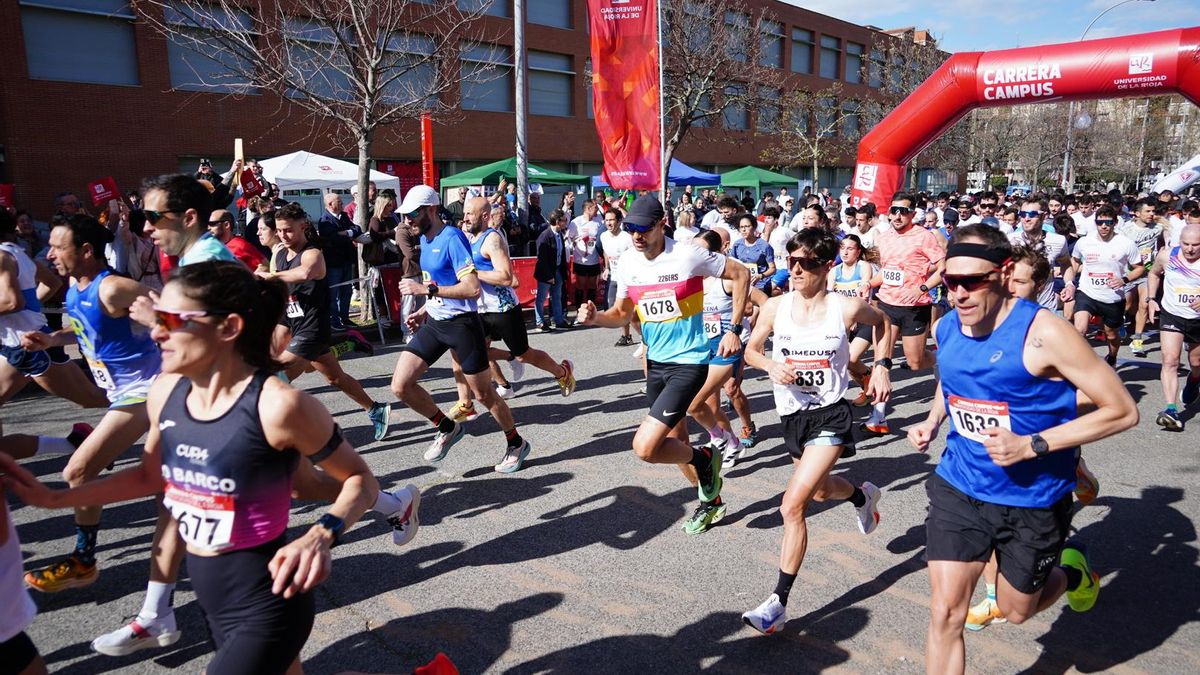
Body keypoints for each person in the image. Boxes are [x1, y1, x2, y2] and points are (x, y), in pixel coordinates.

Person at [1, 260, 379, 675]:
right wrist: (58, 498)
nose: (156, 331)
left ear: (228, 328)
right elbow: (150, 476)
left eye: (170, 320)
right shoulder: (164, 390)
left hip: (270, 596)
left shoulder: (279, 405)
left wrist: (321, 534)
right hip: (211, 596)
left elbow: (360, 480)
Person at [908, 224, 1138, 674]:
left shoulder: (1045, 333)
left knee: (1016, 611)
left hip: (1032, 498)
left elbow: (1122, 410)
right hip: (961, 486)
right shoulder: (948, 327)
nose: (959, 293)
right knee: (945, 613)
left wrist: (1033, 443)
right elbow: (955, 379)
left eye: (972, 281)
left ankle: (1073, 571)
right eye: (951, 282)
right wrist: (934, 419)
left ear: (1004, 272)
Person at [739, 227, 893, 635]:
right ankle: (862, 494)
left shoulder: (846, 308)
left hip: (830, 413)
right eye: (791, 260)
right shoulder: (775, 307)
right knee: (822, 490)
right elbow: (752, 350)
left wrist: (880, 366)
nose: (795, 269)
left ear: (826, 267)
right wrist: (769, 365)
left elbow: (885, 325)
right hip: (792, 416)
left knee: (792, 506)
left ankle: (777, 603)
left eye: (805, 263)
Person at [578, 195, 749, 535]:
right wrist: (597, 318)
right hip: (656, 363)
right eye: (630, 229)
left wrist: (733, 328)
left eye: (643, 228)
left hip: (689, 362)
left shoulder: (687, 253)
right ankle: (710, 500)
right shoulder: (628, 262)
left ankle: (705, 460)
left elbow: (741, 273)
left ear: (661, 224)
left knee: (645, 447)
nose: (636, 236)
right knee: (674, 443)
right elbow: (623, 314)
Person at [18, 215, 161, 593]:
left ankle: (84, 561)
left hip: (147, 391)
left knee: (78, 473)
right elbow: (85, 331)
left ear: (85, 250)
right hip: (122, 394)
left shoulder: (112, 287)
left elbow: (170, 311)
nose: (48, 254)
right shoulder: (73, 288)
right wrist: (53, 340)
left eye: (57, 246)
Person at [389, 185, 533, 472]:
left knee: (483, 396)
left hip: (463, 327)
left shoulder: (451, 238)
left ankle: (516, 442)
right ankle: (447, 427)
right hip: (436, 324)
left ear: (431, 209)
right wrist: (422, 310)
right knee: (400, 386)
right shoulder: (427, 239)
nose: (408, 221)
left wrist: (426, 289)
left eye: (413, 214)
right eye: (405, 215)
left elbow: (471, 288)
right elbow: (439, 284)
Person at [257, 203, 391, 441]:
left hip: (312, 328)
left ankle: (292, 433)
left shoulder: (312, 254)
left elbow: (304, 274)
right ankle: (375, 408)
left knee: (276, 377)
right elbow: (280, 286)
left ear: (303, 227)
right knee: (335, 378)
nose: (283, 235)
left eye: (288, 230)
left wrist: (270, 276)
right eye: (279, 230)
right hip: (289, 321)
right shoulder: (279, 253)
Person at [444, 198, 576, 426]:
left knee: (525, 354)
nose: (464, 218)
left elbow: (507, 277)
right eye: (464, 213)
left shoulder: (492, 239)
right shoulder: (466, 236)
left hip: (502, 309)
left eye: (470, 214)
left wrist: (472, 273)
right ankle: (466, 403)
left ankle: (562, 372)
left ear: (484, 216)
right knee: (466, 352)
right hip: (479, 309)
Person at [0, 209, 109, 410]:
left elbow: (12, 302)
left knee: (95, 399)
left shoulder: (1, 256)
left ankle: (150, 405)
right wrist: (32, 311)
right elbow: (51, 282)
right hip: (18, 341)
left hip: (29, 344)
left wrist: (27, 311)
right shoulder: (15, 252)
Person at [867, 192, 945, 434]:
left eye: (903, 211)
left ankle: (938, 360)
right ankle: (878, 415)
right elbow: (887, 272)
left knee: (915, 361)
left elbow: (943, 268)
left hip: (915, 306)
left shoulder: (924, 236)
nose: (898, 215)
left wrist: (921, 287)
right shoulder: (884, 238)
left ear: (913, 214)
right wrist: (868, 284)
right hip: (886, 304)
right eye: (894, 210)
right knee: (882, 361)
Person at [691, 229, 766, 464]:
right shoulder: (691, 282)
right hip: (705, 348)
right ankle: (731, 443)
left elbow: (764, 302)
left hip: (731, 345)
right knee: (711, 405)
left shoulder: (727, 281)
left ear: (713, 256)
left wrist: (757, 338)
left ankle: (746, 427)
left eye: (700, 251)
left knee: (730, 390)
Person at [1062, 205, 1144, 366]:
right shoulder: (1084, 242)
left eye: (1108, 223)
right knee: (1080, 329)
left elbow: (1140, 268)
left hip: (1112, 297)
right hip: (1087, 292)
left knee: (1111, 334)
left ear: (1115, 223)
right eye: (1100, 222)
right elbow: (1075, 261)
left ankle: (1112, 356)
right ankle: (1079, 365)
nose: (1104, 226)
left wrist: (1124, 279)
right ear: (1096, 223)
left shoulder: (1126, 243)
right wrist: (1070, 282)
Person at [1146, 223, 1200, 430]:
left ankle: (1195, 379)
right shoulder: (1168, 255)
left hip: (1197, 320)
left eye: (1196, 245)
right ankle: (1171, 409)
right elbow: (1154, 273)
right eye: (1186, 244)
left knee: (1196, 361)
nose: (1190, 249)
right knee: (1170, 360)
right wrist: (1151, 299)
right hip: (1172, 314)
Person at [1118, 197, 1168, 357]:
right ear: (1137, 213)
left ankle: (1138, 339)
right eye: (1148, 211)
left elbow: (1165, 241)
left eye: (1153, 211)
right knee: (1127, 305)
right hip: (1128, 272)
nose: (1151, 214)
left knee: (1145, 305)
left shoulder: (1158, 228)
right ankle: (1120, 323)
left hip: (1147, 273)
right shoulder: (1125, 229)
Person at [1007, 199, 1069, 311]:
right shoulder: (1010, 240)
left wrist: (1069, 284)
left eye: (1032, 214)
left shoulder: (1058, 241)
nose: (1026, 219)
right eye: (1022, 214)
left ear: (1044, 216)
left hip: (1045, 307)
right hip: (1016, 305)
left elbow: (1066, 264)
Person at [315, 193, 361, 331]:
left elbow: (357, 229)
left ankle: (345, 317)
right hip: (334, 262)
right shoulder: (325, 221)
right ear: (330, 204)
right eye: (339, 202)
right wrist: (345, 234)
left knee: (346, 291)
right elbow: (333, 238)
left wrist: (346, 233)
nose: (342, 204)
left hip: (347, 260)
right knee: (333, 292)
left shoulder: (344, 216)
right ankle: (334, 320)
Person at [599, 208, 640, 346]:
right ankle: (627, 336)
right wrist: (606, 268)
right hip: (614, 277)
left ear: (619, 221)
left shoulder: (627, 238)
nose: (609, 223)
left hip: (630, 278)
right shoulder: (603, 236)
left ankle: (644, 336)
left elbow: (636, 256)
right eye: (607, 220)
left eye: (612, 220)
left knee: (634, 311)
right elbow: (605, 252)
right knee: (615, 307)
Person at [533, 209, 569, 332]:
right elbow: (542, 258)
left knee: (557, 296)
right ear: (558, 221)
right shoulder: (545, 236)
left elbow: (561, 254)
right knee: (541, 297)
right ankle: (540, 322)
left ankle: (558, 320)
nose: (566, 222)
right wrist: (548, 275)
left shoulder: (559, 234)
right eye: (564, 220)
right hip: (546, 272)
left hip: (557, 269)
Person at [568, 200, 604, 310]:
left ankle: (591, 309)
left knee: (593, 286)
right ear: (588, 209)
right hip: (580, 260)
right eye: (595, 208)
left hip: (594, 260)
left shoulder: (599, 221)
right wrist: (577, 243)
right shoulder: (576, 222)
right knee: (580, 286)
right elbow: (568, 238)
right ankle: (580, 310)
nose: (597, 210)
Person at [731, 214, 775, 293]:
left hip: (761, 285)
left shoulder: (764, 246)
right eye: (741, 227)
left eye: (747, 226)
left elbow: (773, 269)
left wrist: (761, 276)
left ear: (754, 227)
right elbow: (733, 264)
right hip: (743, 283)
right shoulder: (737, 244)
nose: (744, 230)